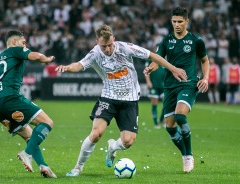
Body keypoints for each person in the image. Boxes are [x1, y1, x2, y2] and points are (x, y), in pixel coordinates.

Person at [55, 24, 187, 177]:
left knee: (128, 141)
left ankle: (112, 148)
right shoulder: (95, 52)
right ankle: (77, 167)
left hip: (129, 100)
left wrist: (173, 68)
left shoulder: (125, 48)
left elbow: (153, 55)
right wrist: (67, 68)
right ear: (97, 41)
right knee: (97, 133)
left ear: (114, 39)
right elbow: (79, 65)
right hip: (108, 97)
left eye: (110, 44)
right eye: (104, 46)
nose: (108, 49)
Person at [145, 7, 210, 173]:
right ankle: (184, 154)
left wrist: (205, 78)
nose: (177, 24)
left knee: (180, 116)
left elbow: (204, 60)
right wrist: (151, 68)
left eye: (180, 21)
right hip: (170, 86)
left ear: (187, 21)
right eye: (174, 21)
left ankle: (189, 156)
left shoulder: (196, 40)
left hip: (188, 84)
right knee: (170, 127)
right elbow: (157, 59)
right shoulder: (166, 40)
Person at [0, 30, 57, 178]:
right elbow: (35, 56)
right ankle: (26, 153)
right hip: (10, 98)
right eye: (23, 43)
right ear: (14, 42)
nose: (25, 46)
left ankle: (44, 166)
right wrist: (46, 59)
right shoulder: (16, 50)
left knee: (29, 136)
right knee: (47, 122)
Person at [145, 61, 165, 129]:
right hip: (154, 85)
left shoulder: (164, 61)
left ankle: (162, 120)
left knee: (166, 103)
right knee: (154, 103)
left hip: (163, 85)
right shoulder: (151, 61)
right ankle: (156, 123)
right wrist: (148, 82)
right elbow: (146, 71)